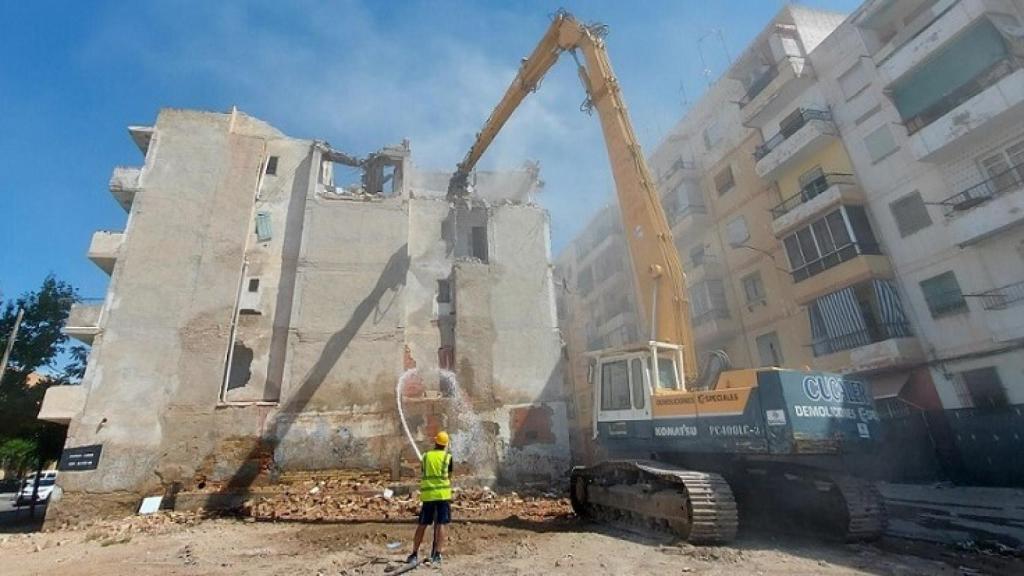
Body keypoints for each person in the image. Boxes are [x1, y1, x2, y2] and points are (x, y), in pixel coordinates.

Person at [407, 431, 453, 566]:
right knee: (441, 524)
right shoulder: (447, 457)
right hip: (442, 496)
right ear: (445, 445)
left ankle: (414, 553)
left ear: (435, 442)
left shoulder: (426, 457)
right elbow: (449, 476)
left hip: (428, 496)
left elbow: (424, 472)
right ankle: (437, 554)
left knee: (422, 524)